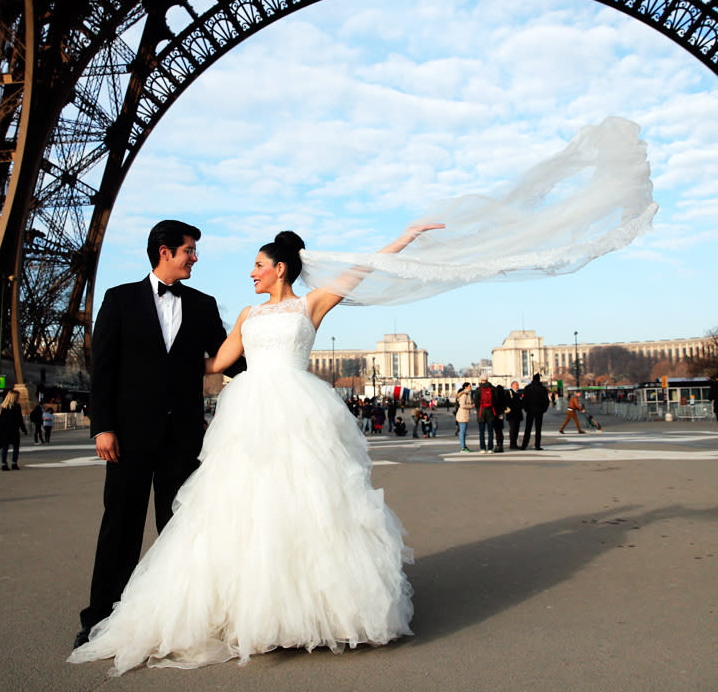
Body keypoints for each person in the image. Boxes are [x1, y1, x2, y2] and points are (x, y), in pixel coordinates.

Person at [68, 225, 437, 673]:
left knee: (296, 511)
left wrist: (407, 236)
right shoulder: (238, 313)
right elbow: (208, 362)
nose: (250, 272)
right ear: (167, 252)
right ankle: (118, 613)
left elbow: (363, 270)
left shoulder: (306, 303)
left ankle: (295, 610)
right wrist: (116, 410)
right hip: (216, 418)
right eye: (190, 251)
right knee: (211, 517)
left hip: (293, 414)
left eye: (258, 265)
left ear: (280, 268)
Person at [74, 219, 245, 651]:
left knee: (179, 529)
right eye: (189, 250)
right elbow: (104, 369)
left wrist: (274, 374)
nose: (195, 257)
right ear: (165, 251)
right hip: (128, 436)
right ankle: (100, 617)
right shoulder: (119, 299)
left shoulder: (203, 304)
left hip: (182, 437)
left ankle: (178, 618)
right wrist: (103, 427)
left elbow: (228, 359)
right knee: (120, 527)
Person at [0, 390, 28, 470]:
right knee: (15, 447)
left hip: (4, 430)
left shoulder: (3, 406)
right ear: (14, 397)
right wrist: (23, 429)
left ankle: (4, 464)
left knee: (5, 447)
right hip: (14, 429)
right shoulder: (16, 406)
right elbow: (19, 419)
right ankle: (14, 463)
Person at [521, 374, 550, 449]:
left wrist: (526, 409)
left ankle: (524, 445)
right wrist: (544, 409)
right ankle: (537, 445)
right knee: (538, 429)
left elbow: (524, 400)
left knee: (528, 428)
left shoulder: (528, 388)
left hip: (530, 410)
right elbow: (546, 400)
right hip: (539, 411)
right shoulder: (542, 389)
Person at [472, 377, 498, 453]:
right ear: (487, 380)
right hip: (490, 412)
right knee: (490, 431)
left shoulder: (478, 389)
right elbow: (496, 400)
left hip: (481, 412)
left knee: (482, 432)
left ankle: (482, 448)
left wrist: (478, 408)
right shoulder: (492, 388)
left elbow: (476, 401)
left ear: (481, 380)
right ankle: (490, 448)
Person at [454, 382, 474, 452]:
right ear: (465, 387)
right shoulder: (464, 395)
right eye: (469, 386)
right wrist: (471, 406)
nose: (471, 388)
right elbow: (462, 405)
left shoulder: (467, 394)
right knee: (462, 432)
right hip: (462, 415)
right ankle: (463, 447)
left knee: (463, 431)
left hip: (464, 415)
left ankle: (464, 446)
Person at [506, 380, 524, 450]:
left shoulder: (518, 393)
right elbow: (508, 403)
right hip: (512, 415)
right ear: (512, 386)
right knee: (513, 429)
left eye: (518, 385)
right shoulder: (509, 393)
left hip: (518, 415)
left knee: (516, 429)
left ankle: (515, 443)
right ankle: (512, 444)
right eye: (516, 385)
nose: (517, 386)